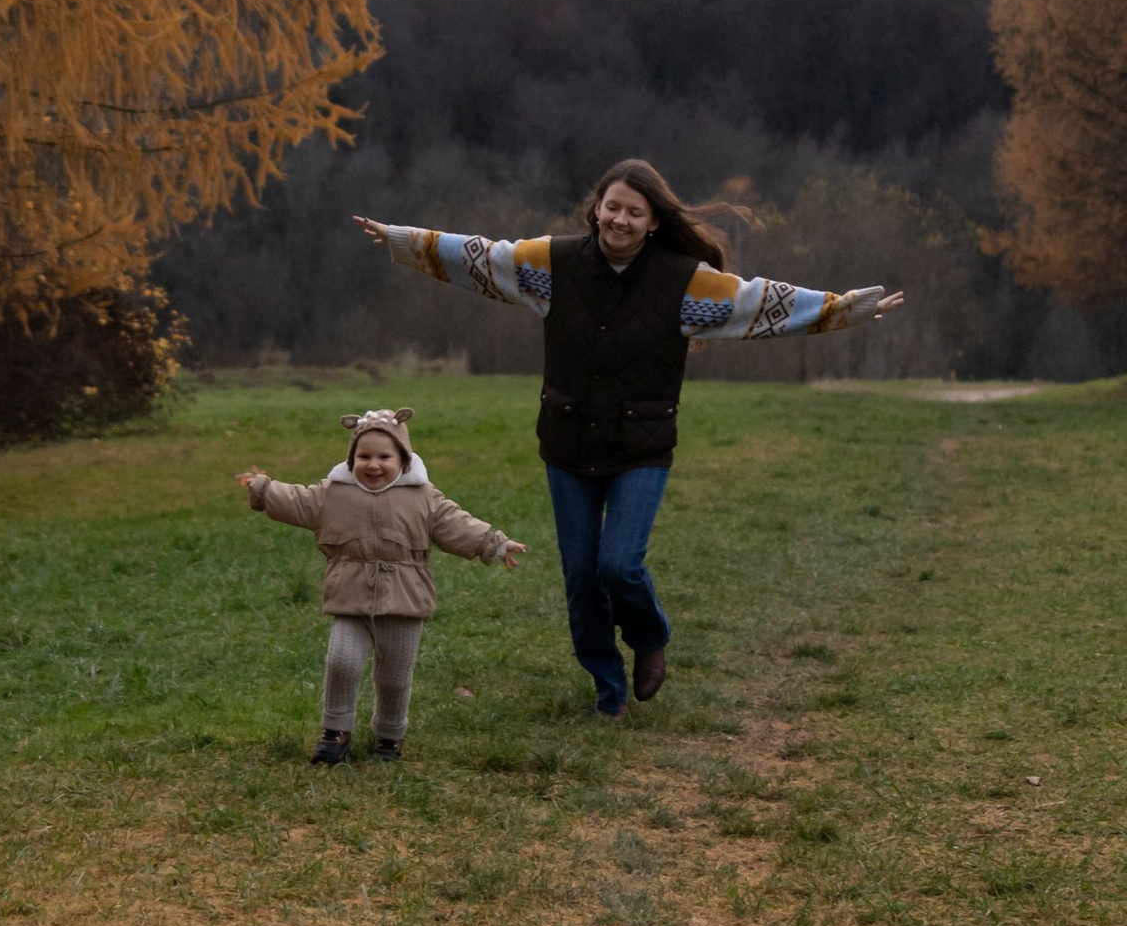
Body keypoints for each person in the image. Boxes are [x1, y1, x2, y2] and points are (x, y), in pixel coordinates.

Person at [357, 162, 901, 719]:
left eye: (634, 212)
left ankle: (649, 636)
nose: (620, 219)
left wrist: (847, 309)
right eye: (612, 207)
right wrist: (404, 239)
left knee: (619, 565)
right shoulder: (552, 263)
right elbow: (481, 256)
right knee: (581, 576)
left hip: (641, 447)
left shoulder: (685, 281)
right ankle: (608, 690)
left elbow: (761, 301)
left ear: (653, 222)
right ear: (596, 209)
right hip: (568, 443)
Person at [237, 405, 525, 765]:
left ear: (403, 459)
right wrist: (263, 489)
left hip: (405, 600)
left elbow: (456, 524)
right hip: (350, 597)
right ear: (352, 459)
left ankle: (389, 736)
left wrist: (495, 543)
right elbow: (297, 499)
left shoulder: (423, 497)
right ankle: (335, 730)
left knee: (394, 677)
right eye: (364, 457)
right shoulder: (333, 494)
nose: (373, 465)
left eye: (384, 457)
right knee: (341, 661)